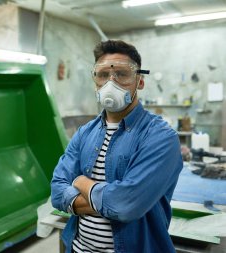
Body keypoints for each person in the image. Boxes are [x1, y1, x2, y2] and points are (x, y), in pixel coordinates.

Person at [51, 40, 183, 253]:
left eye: (122, 74)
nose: (110, 82)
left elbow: (125, 205)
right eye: (102, 75)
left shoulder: (161, 137)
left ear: (139, 81)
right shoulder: (85, 132)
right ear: (95, 80)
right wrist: (109, 200)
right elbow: (57, 193)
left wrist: (79, 181)